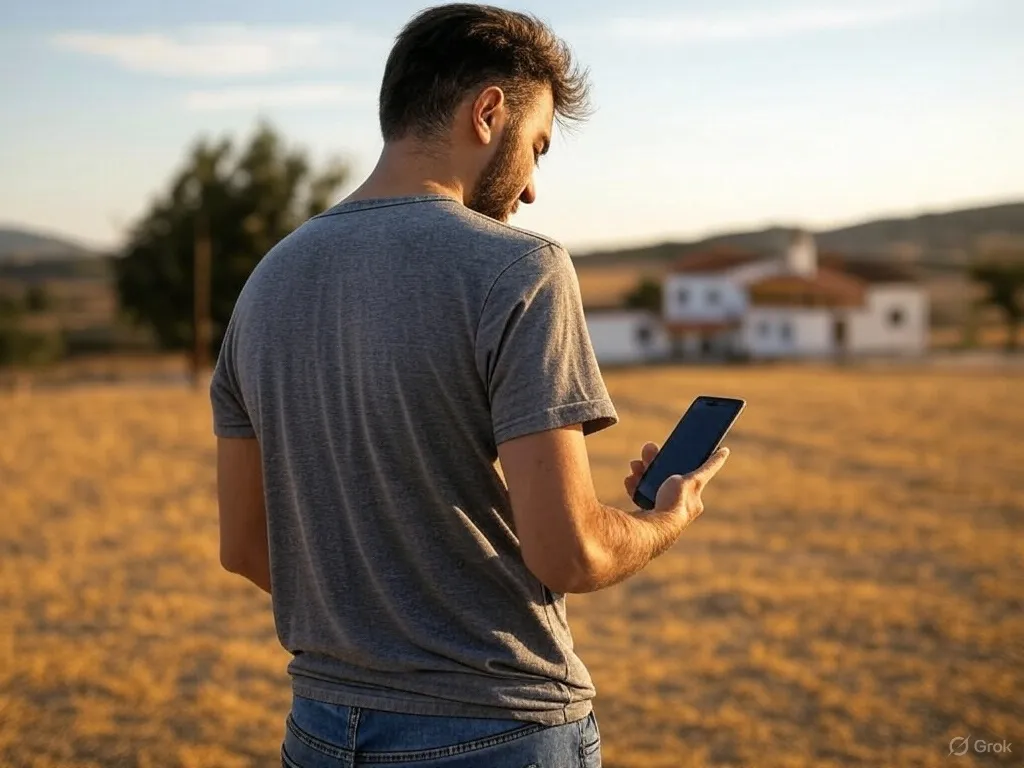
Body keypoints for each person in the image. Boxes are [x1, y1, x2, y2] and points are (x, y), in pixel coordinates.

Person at [209, 4, 730, 767]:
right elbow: (571, 554)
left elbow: (246, 546)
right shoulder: (521, 269)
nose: (529, 193)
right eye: (539, 149)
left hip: (322, 727)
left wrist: (374, 623)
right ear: (488, 112)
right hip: (497, 728)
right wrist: (665, 521)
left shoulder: (266, 283)